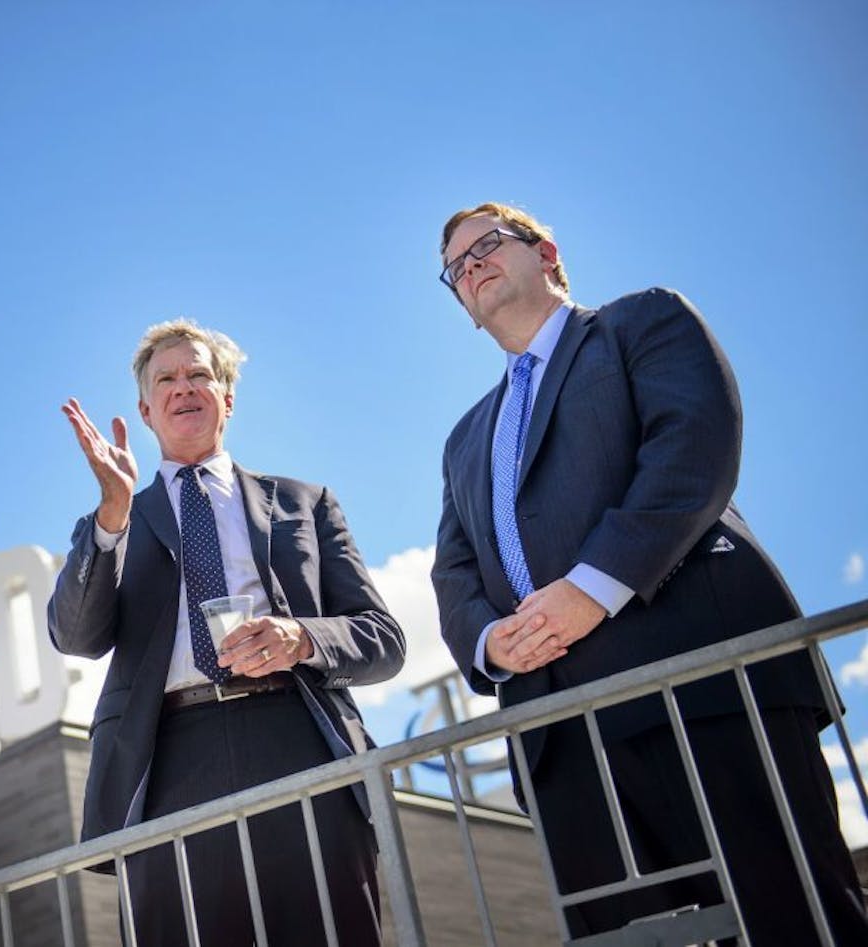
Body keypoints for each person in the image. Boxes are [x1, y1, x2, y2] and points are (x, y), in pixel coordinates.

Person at [431, 202, 867, 941]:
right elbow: (453, 571)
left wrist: (589, 589)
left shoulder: (641, 324)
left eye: (488, 245)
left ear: (547, 252)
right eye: (455, 267)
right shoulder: (464, 437)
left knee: (792, 917)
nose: (471, 265)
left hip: (706, 686)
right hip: (560, 732)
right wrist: (493, 644)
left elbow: (692, 449)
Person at [48, 319, 404, 946]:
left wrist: (302, 638)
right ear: (146, 410)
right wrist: (112, 514)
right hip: (168, 763)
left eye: (198, 375)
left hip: (299, 738)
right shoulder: (118, 515)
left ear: (227, 397)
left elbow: (382, 639)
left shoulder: (304, 502)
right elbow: (76, 636)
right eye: (167, 380)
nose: (183, 388)